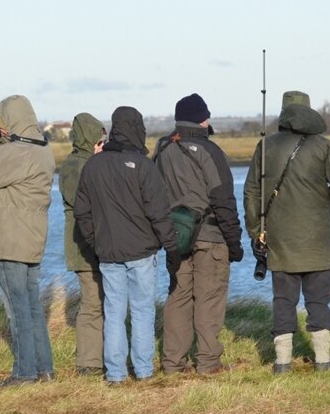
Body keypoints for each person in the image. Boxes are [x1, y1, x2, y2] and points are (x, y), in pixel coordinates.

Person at [242, 91, 330, 373]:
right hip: (318, 242)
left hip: (279, 241)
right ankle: (323, 361)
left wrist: (256, 231)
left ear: (283, 113)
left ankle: (282, 363)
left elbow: (251, 192)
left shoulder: (265, 146)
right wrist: (326, 198)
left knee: (283, 301)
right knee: (319, 302)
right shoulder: (323, 146)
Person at [74, 106, 180, 385]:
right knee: (143, 310)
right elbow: (159, 212)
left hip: (108, 252)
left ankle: (116, 374)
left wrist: (96, 242)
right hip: (142, 252)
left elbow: (81, 212)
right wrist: (172, 246)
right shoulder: (144, 165)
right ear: (137, 128)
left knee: (114, 312)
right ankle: (143, 371)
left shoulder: (92, 165)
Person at [0, 95, 56, 388]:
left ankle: (24, 374)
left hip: (10, 239)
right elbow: (9, 161)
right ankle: (44, 369)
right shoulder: (40, 149)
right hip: (30, 238)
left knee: (18, 310)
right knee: (31, 307)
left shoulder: (19, 153)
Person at [154, 93, 244, 375]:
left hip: (175, 237)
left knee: (178, 297)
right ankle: (208, 363)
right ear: (202, 119)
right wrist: (235, 242)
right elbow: (224, 201)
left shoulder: (162, 150)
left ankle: (173, 363)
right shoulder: (211, 151)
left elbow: (153, 195)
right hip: (211, 237)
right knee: (209, 298)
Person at [59, 112, 106, 376]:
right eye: (99, 139)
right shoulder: (77, 167)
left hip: (90, 243)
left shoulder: (77, 163)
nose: (102, 144)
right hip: (84, 246)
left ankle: (99, 357)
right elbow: (86, 206)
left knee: (100, 301)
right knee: (92, 303)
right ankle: (89, 362)